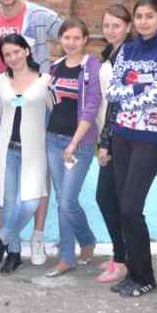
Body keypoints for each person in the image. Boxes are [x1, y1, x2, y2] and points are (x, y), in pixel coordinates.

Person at [0, 0, 63, 264]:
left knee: (39, 171)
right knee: (2, 169)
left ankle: (37, 236)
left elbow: (70, 37)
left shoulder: (41, 16)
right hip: (3, 98)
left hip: (37, 100)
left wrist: (59, 72)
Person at [105, 0, 157, 297]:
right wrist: (139, 88)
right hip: (122, 135)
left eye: (150, 16)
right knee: (123, 207)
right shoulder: (127, 50)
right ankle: (134, 274)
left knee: (132, 207)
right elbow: (111, 90)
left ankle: (144, 276)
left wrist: (130, 89)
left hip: (148, 139)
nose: (144, 21)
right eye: (139, 16)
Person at [0, 34, 57, 275]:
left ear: (27, 51)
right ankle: (13, 254)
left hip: (34, 153)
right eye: (7, 54)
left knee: (29, 203)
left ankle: (2, 238)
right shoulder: (0, 82)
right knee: (9, 205)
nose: (13, 57)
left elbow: (55, 114)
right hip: (6, 152)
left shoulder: (45, 81)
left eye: (17, 51)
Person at [44, 19, 102, 278]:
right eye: (66, 37)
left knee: (67, 201)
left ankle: (80, 245)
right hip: (53, 140)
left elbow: (91, 107)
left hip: (78, 145)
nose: (71, 42)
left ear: (85, 40)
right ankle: (73, 252)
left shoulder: (91, 66)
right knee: (63, 201)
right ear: (61, 39)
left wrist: (74, 143)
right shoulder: (55, 67)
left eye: (76, 38)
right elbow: (49, 103)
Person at [95, 4, 133, 284]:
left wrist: (105, 142)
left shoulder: (127, 57)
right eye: (106, 25)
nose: (110, 30)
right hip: (110, 135)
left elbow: (117, 105)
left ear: (128, 27)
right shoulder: (110, 54)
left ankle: (122, 260)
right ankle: (122, 254)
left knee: (109, 197)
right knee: (111, 198)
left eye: (116, 25)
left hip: (120, 137)